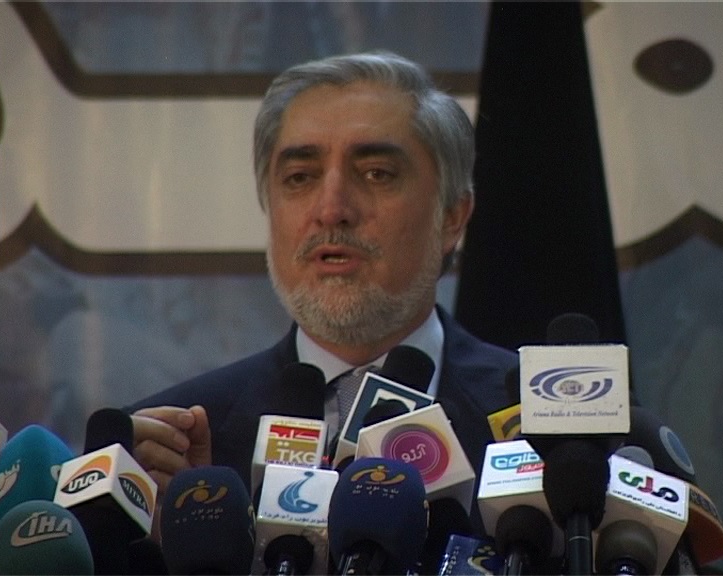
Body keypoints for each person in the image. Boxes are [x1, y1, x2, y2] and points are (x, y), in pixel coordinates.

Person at [127, 51, 517, 534]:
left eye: (376, 173)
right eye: (300, 178)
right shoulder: (166, 456)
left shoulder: (553, 436)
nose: (332, 210)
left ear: (452, 217)